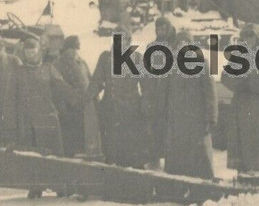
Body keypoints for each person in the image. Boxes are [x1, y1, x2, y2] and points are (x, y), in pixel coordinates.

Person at [221, 24, 259, 183]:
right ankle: (244, 171)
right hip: (242, 104)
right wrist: (239, 83)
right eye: (245, 37)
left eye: (251, 36)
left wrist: (258, 83)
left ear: (257, 37)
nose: (248, 40)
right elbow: (225, 77)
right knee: (242, 138)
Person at [89, 23, 149, 168]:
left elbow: (146, 86)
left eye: (124, 40)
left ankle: (135, 185)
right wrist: (86, 99)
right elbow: (96, 82)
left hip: (131, 113)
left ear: (129, 41)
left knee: (132, 151)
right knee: (111, 152)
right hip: (111, 111)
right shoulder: (105, 58)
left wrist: (146, 106)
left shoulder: (137, 58)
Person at [163, 28, 218, 180]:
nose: (183, 47)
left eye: (186, 44)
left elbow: (210, 93)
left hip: (197, 119)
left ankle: (204, 182)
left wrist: (211, 116)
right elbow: (165, 92)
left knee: (199, 154)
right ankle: (176, 183)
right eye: (179, 44)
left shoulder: (202, 64)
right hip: (177, 119)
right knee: (177, 154)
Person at [14, 37, 77, 165]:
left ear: (38, 52)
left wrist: (78, 98)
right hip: (27, 122)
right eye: (28, 53)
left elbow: (62, 87)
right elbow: (10, 100)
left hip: (48, 120)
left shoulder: (48, 69)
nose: (31, 55)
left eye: (33, 52)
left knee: (55, 159)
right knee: (31, 159)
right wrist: (10, 124)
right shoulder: (19, 72)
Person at [55, 35, 100, 158]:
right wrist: (64, 108)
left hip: (85, 105)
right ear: (66, 49)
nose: (75, 52)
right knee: (73, 136)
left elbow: (90, 81)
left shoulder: (81, 62)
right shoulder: (58, 64)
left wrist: (95, 98)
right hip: (71, 107)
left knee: (87, 133)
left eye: (76, 49)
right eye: (72, 49)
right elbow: (58, 89)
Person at [141, 16, 177, 169]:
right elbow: (145, 74)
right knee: (155, 132)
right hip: (156, 95)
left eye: (164, 28)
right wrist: (147, 94)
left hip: (174, 95)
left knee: (173, 132)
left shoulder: (177, 46)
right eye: (158, 29)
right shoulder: (152, 47)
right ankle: (155, 165)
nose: (161, 32)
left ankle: (173, 165)